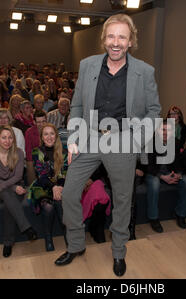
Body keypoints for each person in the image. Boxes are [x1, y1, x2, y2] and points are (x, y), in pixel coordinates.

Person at [54, 14, 161, 277]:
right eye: (111, 36)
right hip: (89, 137)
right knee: (69, 193)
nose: (116, 42)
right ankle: (77, 245)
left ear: (131, 41)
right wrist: (73, 139)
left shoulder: (144, 71)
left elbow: (154, 111)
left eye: (122, 37)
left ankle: (118, 252)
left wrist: (135, 141)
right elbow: (77, 104)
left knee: (123, 200)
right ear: (104, 38)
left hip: (123, 140)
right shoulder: (88, 65)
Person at [0, 126, 38, 258]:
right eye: (4, 137)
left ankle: (8, 242)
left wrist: (13, 187)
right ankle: (26, 228)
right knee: (7, 194)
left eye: (10, 137)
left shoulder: (19, 153)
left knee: (9, 203)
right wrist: (12, 187)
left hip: (14, 187)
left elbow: (18, 177)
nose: (7, 141)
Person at [145, 120, 186, 233]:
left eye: (168, 130)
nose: (165, 132)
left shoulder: (176, 142)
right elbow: (147, 165)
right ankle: (153, 218)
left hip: (170, 172)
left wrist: (178, 173)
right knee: (155, 183)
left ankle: (180, 214)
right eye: (163, 129)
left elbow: (180, 162)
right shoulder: (150, 142)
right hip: (154, 173)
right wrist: (162, 177)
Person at [28, 124, 68, 252]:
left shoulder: (63, 152)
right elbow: (42, 175)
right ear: (42, 137)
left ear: (56, 136)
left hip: (60, 184)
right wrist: (54, 187)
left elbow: (63, 174)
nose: (49, 137)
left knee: (60, 201)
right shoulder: (36, 151)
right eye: (46, 134)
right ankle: (48, 238)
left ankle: (68, 235)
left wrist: (59, 187)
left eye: (52, 133)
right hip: (42, 186)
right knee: (48, 207)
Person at [24, 110, 48, 185]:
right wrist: (31, 167)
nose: (41, 124)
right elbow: (28, 152)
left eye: (43, 121)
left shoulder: (50, 130)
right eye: (38, 122)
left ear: (46, 120)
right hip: (35, 160)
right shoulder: (29, 132)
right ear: (34, 122)